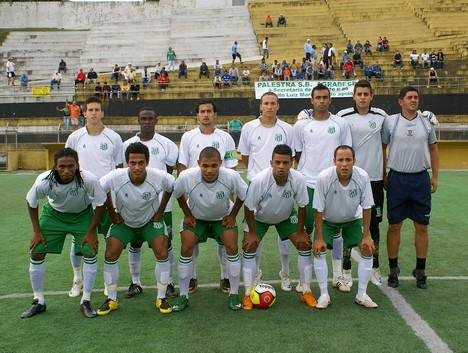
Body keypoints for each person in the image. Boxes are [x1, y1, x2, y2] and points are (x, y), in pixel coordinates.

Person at [21, 147, 106, 319]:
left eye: (70, 166)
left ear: (77, 165)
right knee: (37, 251)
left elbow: (101, 203)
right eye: (61, 167)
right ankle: (38, 301)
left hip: (82, 215)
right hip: (54, 215)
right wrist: (37, 231)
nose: (66, 170)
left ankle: (86, 300)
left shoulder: (88, 179)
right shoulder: (44, 181)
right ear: (55, 167)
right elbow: (31, 202)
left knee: (89, 250)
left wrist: (91, 231)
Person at [97, 142, 175, 316]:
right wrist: (112, 212)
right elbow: (101, 190)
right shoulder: (116, 176)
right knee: (110, 253)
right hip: (125, 222)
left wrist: (160, 211)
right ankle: (111, 298)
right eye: (133, 163)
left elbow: (171, 187)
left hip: (150, 221)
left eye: (141, 162)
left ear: (147, 162)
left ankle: (161, 297)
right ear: (127, 163)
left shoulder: (159, 176)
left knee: (162, 251)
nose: (137, 167)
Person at [172, 147, 247, 311]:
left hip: (222, 217)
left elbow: (243, 195)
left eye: (214, 165)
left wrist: (233, 215)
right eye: (205, 166)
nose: (209, 170)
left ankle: (233, 294)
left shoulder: (231, 176)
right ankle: (183, 295)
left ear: (220, 163)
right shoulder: (187, 176)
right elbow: (177, 194)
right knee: (186, 248)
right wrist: (187, 214)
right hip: (196, 218)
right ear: (198, 163)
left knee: (232, 247)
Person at [241, 144, 315, 309]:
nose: (281, 167)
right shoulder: (260, 180)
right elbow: (248, 207)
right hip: (259, 218)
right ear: (271, 163)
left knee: (304, 244)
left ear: (291, 163)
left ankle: (306, 291)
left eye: (285, 163)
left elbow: (303, 206)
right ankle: (248, 294)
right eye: (278, 162)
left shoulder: (299, 179)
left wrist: (300, 231)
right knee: (249, 245)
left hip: (285, 216)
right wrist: (252, 232)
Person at [294, 83, 352, 291]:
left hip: (332, 183)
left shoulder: (340, 124)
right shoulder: (301, 126)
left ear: (330, 100)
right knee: (308, 231)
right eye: (317, 97)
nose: (321, 101)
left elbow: (346, 153)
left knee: (335, 231)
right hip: (308, 183)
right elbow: (297, 155)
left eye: (325, 97)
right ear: (311, 100)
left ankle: (337, 277)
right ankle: (305, 280)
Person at [65, 96, 123, 297]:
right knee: (78, 241)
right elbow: (67, 165)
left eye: (97, 109)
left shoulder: (114, 138)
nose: (94, 113)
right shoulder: (75, 137)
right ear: (84, 113)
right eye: (90, 110)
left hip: (106, 197)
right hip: (81, 198)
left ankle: (108, 283)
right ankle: (77, 279)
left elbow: (118, 169)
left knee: (109, 239)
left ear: (102, 113)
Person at [178, 100, 238, 294]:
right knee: (191, 241)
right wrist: (187, 201)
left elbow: (231, 167)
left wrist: (230, 200)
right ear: (197, 115)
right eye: (202, 111)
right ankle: (192, 277)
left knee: (224, 241)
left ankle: (225, 277)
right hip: (196, 199)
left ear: (215, 114)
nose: (205, 115)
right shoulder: (188, 137)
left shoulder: (226, 137)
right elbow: (182, 167)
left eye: (209, 111)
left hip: (220, 198)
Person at [382, 86, 439, 289]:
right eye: (409, 98)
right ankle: (393, 270)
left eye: (416, 97)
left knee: (422, 226)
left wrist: (435, 176)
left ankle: (421, 270)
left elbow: (433, 149)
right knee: (394, 226)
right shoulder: (391, 122)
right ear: (401, 101)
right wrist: (383, 173)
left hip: (420, 179)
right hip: (397, 178)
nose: (414, 100)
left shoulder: (426, 123)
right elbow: (382, 148)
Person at [238, 92, 295, 292]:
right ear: (260, 106)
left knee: (285, 235)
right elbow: (245, 156)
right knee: (255, 237)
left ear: (278, 106)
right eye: (266, 103)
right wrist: (260, 176)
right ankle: (255, 274)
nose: (269, 106)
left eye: (273, 103)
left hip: (282, 184)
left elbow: (291, 156)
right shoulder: (248, 128)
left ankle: (285, 273)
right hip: (256, 185)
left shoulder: (287, 129)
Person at [122, 108, 179, 299]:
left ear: (156, 120)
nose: (147, 122)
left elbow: (169, 173)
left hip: (162, 206)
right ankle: (135, 282)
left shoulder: (167, 144)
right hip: (134, 205)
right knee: (135, 243)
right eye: (143, 119)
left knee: (165, 243)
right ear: (138, 120)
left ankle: (168, 282)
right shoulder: (127, 144)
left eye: (150, 119)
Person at [312, 145, 377, 309]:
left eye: (348, 160)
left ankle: (361, 294)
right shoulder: (323, 177)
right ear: (334, 161)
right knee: (318, 250)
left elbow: (368, 206)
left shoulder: (362, 176)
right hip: (328, 220)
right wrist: (319, 237)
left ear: (354, 161)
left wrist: (367, 235)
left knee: (368, 249)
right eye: (340, 160)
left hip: (352, 219)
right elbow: (318, 209)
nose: (344, 164)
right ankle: (324, 294)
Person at [337, 80, 388, 288]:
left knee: (374, 225)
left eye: (366, 93)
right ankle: (346, 269)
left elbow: (384, 146)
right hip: (350, 178)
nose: (363, 97)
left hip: (374, 179)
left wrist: (384, 172)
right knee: (347, 223)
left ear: (371, 96)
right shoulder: (343, 117)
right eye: (359, 93)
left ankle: (375, 268)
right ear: (354, 96)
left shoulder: (381, 116)